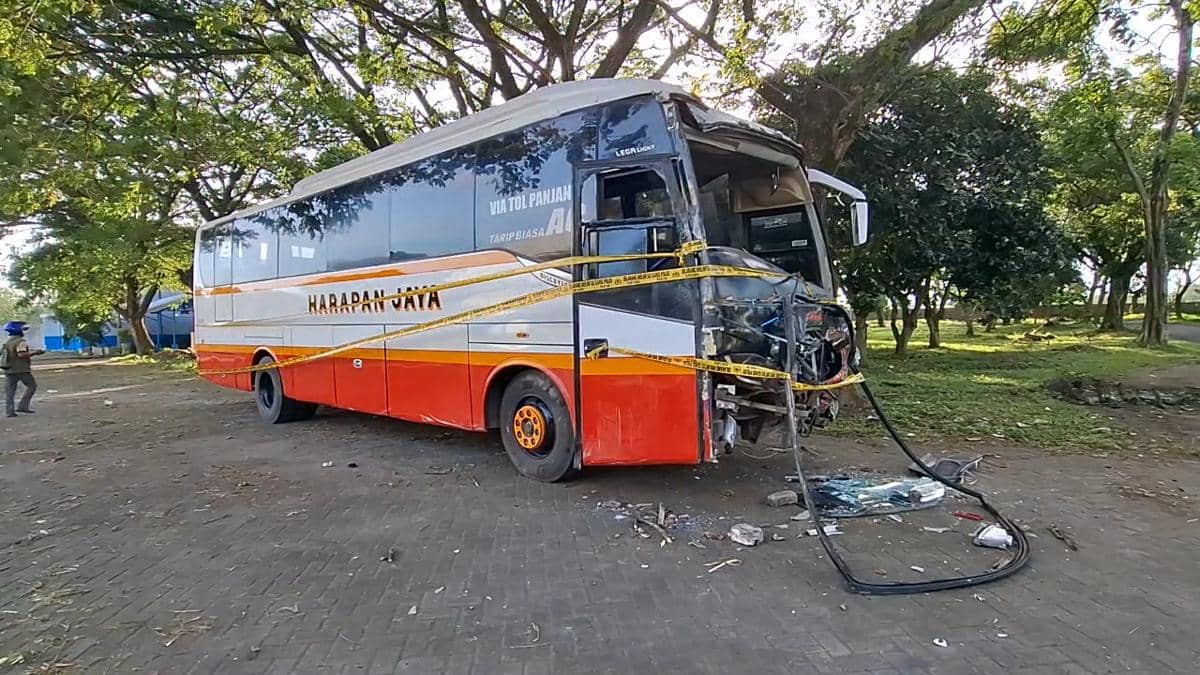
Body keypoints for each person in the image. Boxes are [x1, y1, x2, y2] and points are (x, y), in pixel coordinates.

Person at [3, 321, 45, 417]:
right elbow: (21, 354)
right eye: (24, 329)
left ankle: (9, 411)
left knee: (10, 391)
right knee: (32, 386)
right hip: (21, 369)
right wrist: (36, 353)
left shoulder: (6, 342)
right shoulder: (21, 342)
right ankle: (23, 405)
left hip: (8, 369)